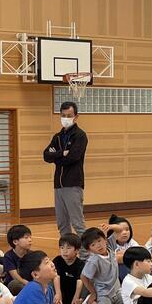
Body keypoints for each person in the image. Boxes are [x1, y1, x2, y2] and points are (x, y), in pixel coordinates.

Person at [43, 101, 88, 237]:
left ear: (76, 117)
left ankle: (85, 250)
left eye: (69, 115)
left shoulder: (80, 136)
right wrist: (62, 153)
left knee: (78, 224)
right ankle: (66, 249)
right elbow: (46, 155)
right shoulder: (57, 137)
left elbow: (73, 157)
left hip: (73, 184)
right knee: (62, 224)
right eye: (63, 115)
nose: (66, 118)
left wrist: (56, 157)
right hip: (58, 185)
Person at [80, 227, 125, 304]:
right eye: (93, 245)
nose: (98, 245)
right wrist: (93, 293)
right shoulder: (93, 261)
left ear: (105, 239)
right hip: (103, 293)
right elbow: (83, 277)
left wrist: (110, 226)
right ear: (89, 250)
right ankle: (91, 302)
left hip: (117, 291)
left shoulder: (110, 248)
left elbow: (120, 230)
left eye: (99, 241)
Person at [53, 233, 85, 304]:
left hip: (74, 293)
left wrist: (76, 297)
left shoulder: (80, 264)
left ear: (76, 250)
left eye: (68, 248)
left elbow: (79, 281)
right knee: (49, 280)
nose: (64, 251)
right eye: (62, 248)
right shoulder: (58, 260)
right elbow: (56, 276)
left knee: (86, 281)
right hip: (61, 294)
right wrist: (58, 293)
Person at [101, 214, 139, 282]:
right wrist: (110, 226)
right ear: (113, 232)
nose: (124, 233)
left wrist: (122, 256)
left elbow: (139, 254)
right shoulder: (110, 241)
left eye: (127, 229)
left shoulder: (132, 242)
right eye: (120, 231)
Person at [3, 224, 32, 295]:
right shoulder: (8, 256)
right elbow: (15, 277)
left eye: (30, 237)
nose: (30, 240)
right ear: (15, 242)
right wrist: (29, 285)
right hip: (16, 284)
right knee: (15, 284)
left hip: (30, 282)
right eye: (26, 237)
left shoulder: (32, 254)